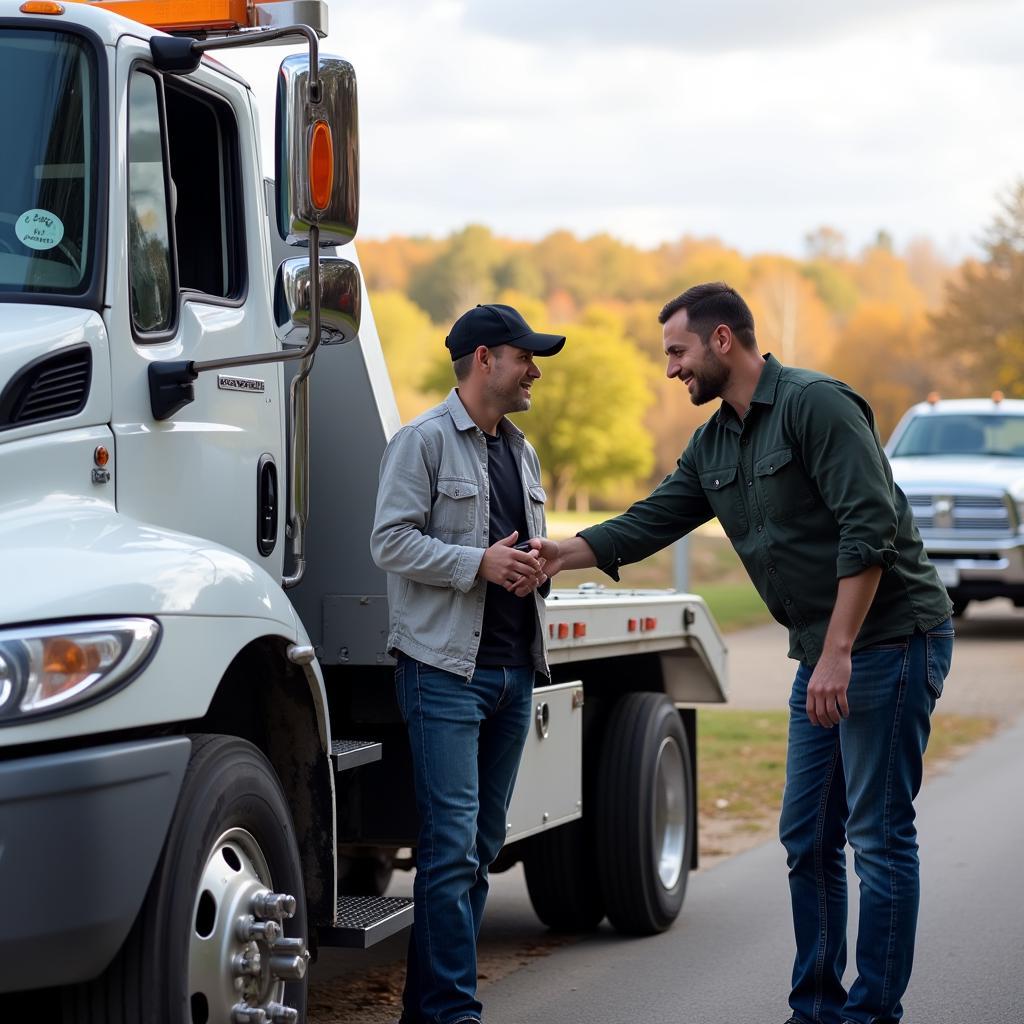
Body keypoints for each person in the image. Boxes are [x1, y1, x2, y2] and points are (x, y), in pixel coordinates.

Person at [532, 283, 953, 1024]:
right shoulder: (715, 442)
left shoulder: (817, 406)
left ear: (722, 340)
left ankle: (873, 1013)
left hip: (888, 641)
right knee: (806, 839)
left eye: (677, 352)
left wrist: (838, 652)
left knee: (878, 835)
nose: (672, 370)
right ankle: (816, 1008)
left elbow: (870, 530)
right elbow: (653, 518)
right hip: (826, 651)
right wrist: (560, 553)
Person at [370, 303, 564, 1024]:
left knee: (477, 850)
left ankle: (429, 1012)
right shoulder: (420, 442)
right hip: (444, 672)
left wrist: (533, 565)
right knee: (450, 848)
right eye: (525, 357)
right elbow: (389, 542)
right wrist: (475, 563)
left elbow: (519, 553)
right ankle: (454, 1013)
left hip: (515, 673)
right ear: (485, 360)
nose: (534, 370)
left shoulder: (523, 451)